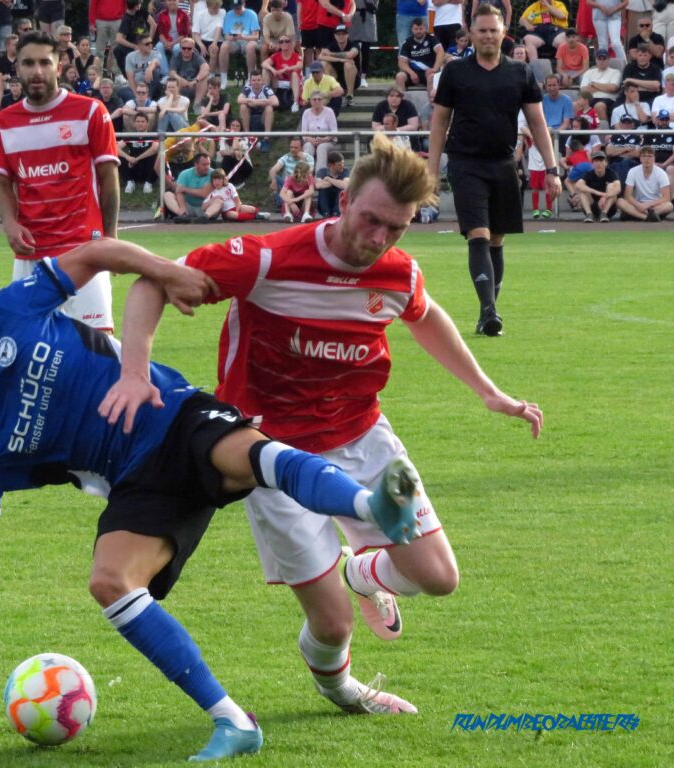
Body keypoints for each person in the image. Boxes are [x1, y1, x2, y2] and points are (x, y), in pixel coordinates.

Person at [0, 239, 425, 762]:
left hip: (171, 413)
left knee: (249, 455)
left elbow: (98, 253)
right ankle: (233, 722)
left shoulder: (5, 314)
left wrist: (164, 271)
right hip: (135, 480)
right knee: (109, 580)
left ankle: (372, 508)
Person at [110, 133, 543, 720]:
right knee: (333, 623)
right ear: (342, 203)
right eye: (370, 221)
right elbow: (154, 280)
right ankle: (343, 691)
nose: (378, 239)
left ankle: (363, 570)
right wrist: (134, 371)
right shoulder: (267, 259)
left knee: (438, 578)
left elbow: (426, 313)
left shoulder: (397, 273)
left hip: (365, 439)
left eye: (396, 228)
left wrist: (490, 394)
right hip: (273, 457)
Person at [427, 3, 560, 337]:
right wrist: (431, 171)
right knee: (478, 234)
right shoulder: (456, 71)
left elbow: (537, 122)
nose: (487, 36)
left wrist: (552, 169)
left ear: (503, 33)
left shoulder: (520, 72)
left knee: (497, 239)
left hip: (503, 163)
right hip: (465, 163)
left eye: (493, 30)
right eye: (481, 30)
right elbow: (440, 121)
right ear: (471, 33)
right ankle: (488, 313)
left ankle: (489, 310)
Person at [0, 31, 121, 333]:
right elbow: (2, 184)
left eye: (45, 63)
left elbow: (108, 177)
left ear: (59, 67)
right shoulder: (2, 124)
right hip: (30, 255)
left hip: (85, 248)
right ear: (17, 68)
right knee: (29, 348)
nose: (37, 71)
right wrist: (9, 223)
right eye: (28, 63)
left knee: (97, 351)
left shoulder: (90, 112)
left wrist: (110, 240)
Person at [616, 144, 674, 219]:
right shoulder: (633, 171)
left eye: (650, 156)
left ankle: (635, 214)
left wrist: (647, 205)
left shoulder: (661, 173)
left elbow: (666, 198)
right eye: (644, 156)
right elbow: (628, 196)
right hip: (638, 204)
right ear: (640, 158)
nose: (647, 159)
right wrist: (638, 205)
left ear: (654, 158)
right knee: (620, 201)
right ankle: (646, 217)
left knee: (669, 206)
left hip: (655, 206)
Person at [395, 16, 444, 96]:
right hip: (413, 73)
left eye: (421, 29)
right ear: (412, 30)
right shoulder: (407, 42)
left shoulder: (432, 39)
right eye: (416, 29)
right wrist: (411, 73)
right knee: (400, 76)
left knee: (431, 77)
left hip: (429, 72)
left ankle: (432, 104)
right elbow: (401, 62)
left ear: (425, 29)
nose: (418, 31)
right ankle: (402, 105)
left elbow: (440, 52)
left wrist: (434, 69)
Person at [218, 0, 261, 89]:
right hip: (234, 41)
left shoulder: (251, 14)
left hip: (248, 40)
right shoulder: (229, 14)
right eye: (235, 8)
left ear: (244, 4)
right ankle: (223, 80)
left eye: (239, 8)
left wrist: (243, 37)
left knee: (250, 47)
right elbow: (226, 35)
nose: (237, 10)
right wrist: (231, 38)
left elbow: (255, 36)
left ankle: (250, 78)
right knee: (224, 46)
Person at [201, 166, 267, 220]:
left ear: (223, 179)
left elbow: (237, 200)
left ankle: (256, 214)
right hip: (226, 212)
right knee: (232, 215)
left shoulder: (229, 186)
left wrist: (237, 211)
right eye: (214, 180)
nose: (217, 182)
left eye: (219, 179)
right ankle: (254, 217)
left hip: (236, 207)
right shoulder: (212, 191)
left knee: (252, 209)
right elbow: (204, 206)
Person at [162, 150, 212, 220]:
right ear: (196, 164)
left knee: (218, 200)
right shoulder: (184, 174)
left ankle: (205, 217)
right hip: (189, 206)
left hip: (206, 207)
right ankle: (182, 214)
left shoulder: (213, 174)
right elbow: (179, 191)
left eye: (208, 164)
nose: (207, 167)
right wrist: (182, 207)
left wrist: (185, 189)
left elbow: (204, 193)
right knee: (167, 195)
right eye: (204, 164)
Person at [318, 24, 360, 104]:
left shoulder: (354, 44)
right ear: (335, 36)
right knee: (323, 64)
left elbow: (351, 55)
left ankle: (349, 95)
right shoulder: (331, 45)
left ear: (347, 35)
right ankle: (330, 90)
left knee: (348, 63)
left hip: (353, 80)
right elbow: (321, 56)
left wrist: (330, 54)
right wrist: (340, 60)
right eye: (338, 34)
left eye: (343, 34)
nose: (341, 36)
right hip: (336, 78)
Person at [118, 111, 159, 193]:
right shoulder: (129, 136)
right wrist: (128, 157)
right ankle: (129, 182)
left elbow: (154, 149)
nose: (140, 124)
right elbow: (115, 147)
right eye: (138, 121)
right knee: (118, 157)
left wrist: (137, 159)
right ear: (134, 124)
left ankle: (149, 183)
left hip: (148, 168)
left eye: (143, 121)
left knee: (157, 156)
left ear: (147, 123)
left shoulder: (153, 135)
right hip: (133, 167)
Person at [261, 32, 303, 111]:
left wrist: (285, 69)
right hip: (278, 81)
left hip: (292, 82)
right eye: (281, 42)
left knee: (294, 73)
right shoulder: (276, 55)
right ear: (279, 45)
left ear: (290, 44)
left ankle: (295, 102)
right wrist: (273, 69)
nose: (284, 43)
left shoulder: (296, 56)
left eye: (287, 41)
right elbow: (264, 63)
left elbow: (300, 65)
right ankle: (265, 96)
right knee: (265, 70)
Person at [237, 70, 278, 150]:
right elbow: (239, 100)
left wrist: (258, 102)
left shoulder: (266, 89)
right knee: (243, 107)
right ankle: (247, 137)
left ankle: (266, 139)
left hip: (263, 118)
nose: (256, 82)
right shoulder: (247, 88)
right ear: (250, 81)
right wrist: (250, 101)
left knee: (269, 108)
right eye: (254, 80)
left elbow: (276, 102)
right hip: (249, 118)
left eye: (259, 80)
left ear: (262, 81)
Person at [575, 148, 619, 221]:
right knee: (582, 190)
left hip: (608, 207)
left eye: (601, 161)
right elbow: (578, 185)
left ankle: (604, 213)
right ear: (592, 163)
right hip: (593, 206)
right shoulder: (589, 174)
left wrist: (605, 196)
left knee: (611, 186)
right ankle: (589, 214)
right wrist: (597, 192)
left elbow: (618, 188)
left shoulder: (611, 173)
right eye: (596, 161)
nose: (598, 163)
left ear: (606, 162)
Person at [580, 49, 622, 122]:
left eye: (604, 59)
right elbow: (583, 90)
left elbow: (613, 88)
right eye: (599, 59)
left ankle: (604, 131)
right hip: (590, 98)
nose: (601, 61)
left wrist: (594, 84)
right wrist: (605, 87)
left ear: (608, 60)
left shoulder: (615, 72)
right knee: (576, 104)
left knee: (599, 106)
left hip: (608, 99)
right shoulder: (589, 72)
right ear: (596, 60)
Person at [300, 91, 338, 171]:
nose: (317, 101)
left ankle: (320, 175)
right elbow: (303, 132)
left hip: (328, 140)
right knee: (308, 147)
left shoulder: (329, 111)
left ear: (323, 101)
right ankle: (305, 174)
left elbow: (334, 131)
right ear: (310, 101)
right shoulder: (306, 113)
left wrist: (324, 139)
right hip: (311, 140)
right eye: (314, 99)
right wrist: (310, 139)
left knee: (321, 147)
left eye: (319, 99)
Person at [169, 36, 210, 108]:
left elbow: (206, 68)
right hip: (180, 87)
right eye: (184, 48)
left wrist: (196, 80)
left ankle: (196, 104)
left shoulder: (197, 57)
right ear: (180, 48)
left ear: (193, 48)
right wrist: (179, 79)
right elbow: (172, 73)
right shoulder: (175, 57)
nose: (186, 50)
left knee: (204, 78)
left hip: (195, 87)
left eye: (189, 48)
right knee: (172, 80)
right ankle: (177, 104)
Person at [590, 0, 627, 67]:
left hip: (614, 16)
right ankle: (603, 67)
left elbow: (626, 2)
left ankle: (625, 67)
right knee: (603, 44)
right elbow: (588, 2)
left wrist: (614, 9)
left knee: (616, 43)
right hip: (599, 16)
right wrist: (600, 6)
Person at [314, 149, 350, 217]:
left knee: (341, 189)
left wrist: (329, 179)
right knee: (323, 189)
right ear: (330, 165)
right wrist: (338, 182)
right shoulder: (322, 171)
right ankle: (325, 213)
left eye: (343, 163)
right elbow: (318, 185)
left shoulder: (345, 171)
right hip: (326, 202)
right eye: (339, 164)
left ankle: (336, 213)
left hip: (339, 205)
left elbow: (346, 185)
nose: (342, 166)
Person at [217, 117, 252, 185]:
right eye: (233, 125)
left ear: (240, 128)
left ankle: (237, 182)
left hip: (244, 165)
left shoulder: (244, 138)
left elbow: (236, 150)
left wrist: (235, 136)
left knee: (235, 155)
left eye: (237, 126)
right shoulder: (224, 137)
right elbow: (222, 152)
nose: (234, 127)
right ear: (229, 126)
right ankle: (227, 181)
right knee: (228, 158)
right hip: (228, 162)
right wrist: (231, 153)